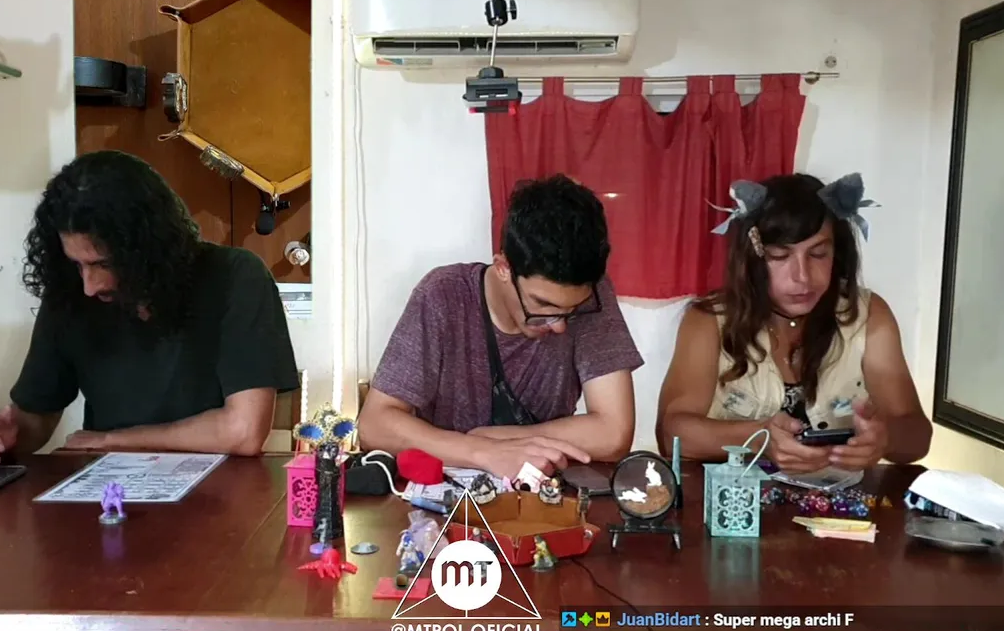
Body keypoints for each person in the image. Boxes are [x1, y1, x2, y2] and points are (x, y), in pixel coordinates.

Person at [0, 151, 300, 465]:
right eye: (77, 265)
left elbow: (243, 432)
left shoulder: (236, 276)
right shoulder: (70, 293)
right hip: (108, 494)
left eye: (102, 264)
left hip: (223, 494)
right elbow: (34, 420)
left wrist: (110, 440)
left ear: (146, 250)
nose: (89, 286)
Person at [358, 175, 644, 480]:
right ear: (503, 268)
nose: (559, 325)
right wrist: (482, 452)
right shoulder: (443, 296)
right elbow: (374, 425)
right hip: (449, 496)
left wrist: (498, 438)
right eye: (542, 304)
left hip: (543, 493)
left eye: (572, 310)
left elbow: (614, 433)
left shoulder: (593, 296)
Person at [655, 172, 931, 473]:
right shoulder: (710, 321)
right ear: (753, 258)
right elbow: (672, 436)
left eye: (818, 254)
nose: (802, 276)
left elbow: (918, 437)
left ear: (837, 254)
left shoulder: (867, 314)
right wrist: (757, 437)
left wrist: (884, 439)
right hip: (735, 500)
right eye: (780, 256)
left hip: (840, 500)